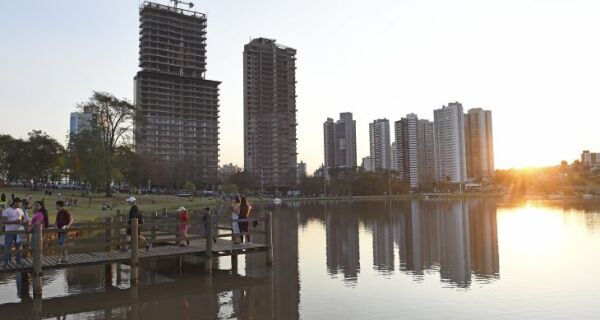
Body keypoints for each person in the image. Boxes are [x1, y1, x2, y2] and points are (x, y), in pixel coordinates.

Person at [2, 198, 26, 266]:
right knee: (7, 247)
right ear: (15, 202)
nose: (20, 205)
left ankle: (18, 260)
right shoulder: (6, 210)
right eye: (19, 203)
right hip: (9, 231)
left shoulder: (21, 210)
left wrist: (22, 222)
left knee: (19, 247)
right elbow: (4, 221)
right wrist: (14, 221)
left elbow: (24, 220)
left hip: (19, 231)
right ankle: (6, 262)